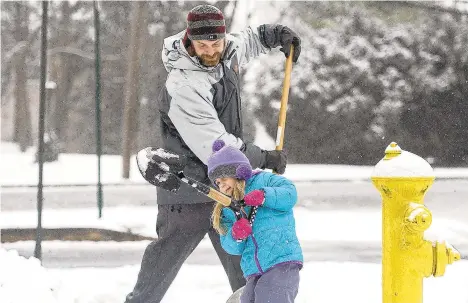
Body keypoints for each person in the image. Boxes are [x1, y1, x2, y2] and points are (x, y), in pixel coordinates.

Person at [125, 4, 301, 303]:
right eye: (202, 45)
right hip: (189, 191)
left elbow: (245, 42)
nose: (210, 51)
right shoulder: (183, 85)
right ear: (189, 41)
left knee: (249, 266)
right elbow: (217, 146)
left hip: (229, 187)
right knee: (159, 272)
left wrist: (273, 35)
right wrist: (264, 158)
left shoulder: (225, 50)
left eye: (215, 43)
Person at [207, 139, 303, 303]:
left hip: (280, 261)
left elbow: (290, 195)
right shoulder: (227, 208)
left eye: (223, 178)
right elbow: (230, 246)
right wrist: (236, 235)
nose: (221, 185)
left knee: (269, 298)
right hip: (253, 270)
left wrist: (264, 195)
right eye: (217, 182)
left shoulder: (265, 180)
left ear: (238, 171)